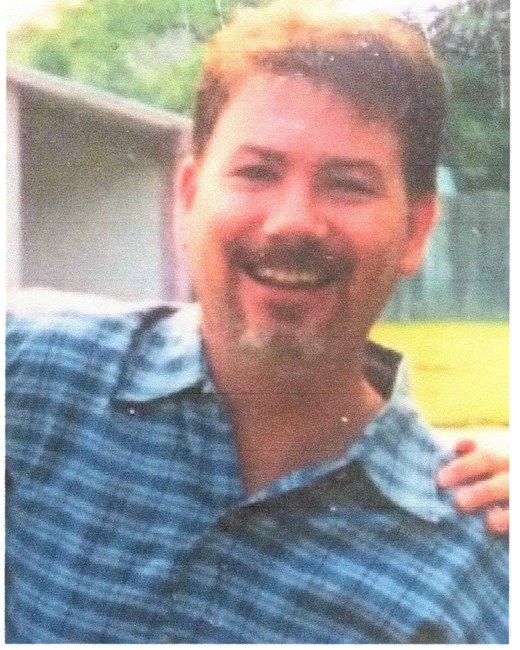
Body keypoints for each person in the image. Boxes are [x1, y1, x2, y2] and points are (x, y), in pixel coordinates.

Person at [5, 0, 509, 643]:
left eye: (348, 183)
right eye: (256, 172)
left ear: (415, 230)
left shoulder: (476, 566)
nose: (292, 222)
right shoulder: (30, 374)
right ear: (188, 200)